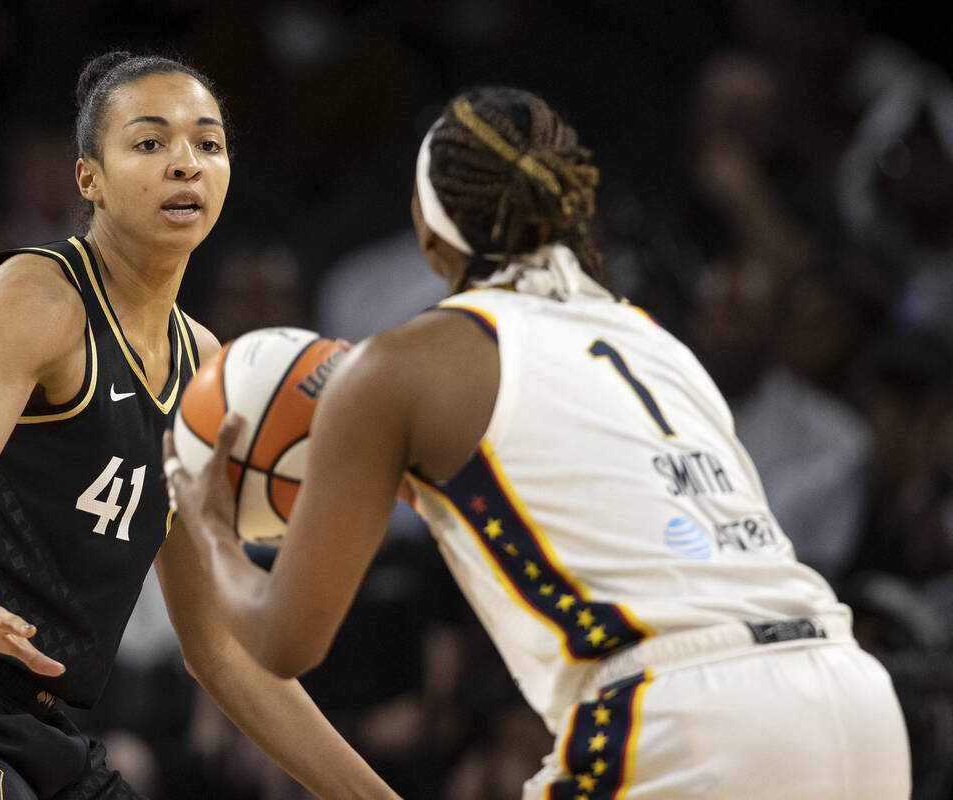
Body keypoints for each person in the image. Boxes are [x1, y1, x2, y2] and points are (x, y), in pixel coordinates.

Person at [165, 85, 913, 798]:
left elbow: (282, 642)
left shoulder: (401, 364)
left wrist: (211, 532)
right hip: (852, 698)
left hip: (683, 717)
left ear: (427, 229)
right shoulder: (661, 348)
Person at [0, 50, 400, 800]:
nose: (186, 164)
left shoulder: (206, 370)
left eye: (207, 144)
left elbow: (221, 654)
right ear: (90, 179)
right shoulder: (37, 296)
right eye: (150, 143)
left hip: (41, 723)